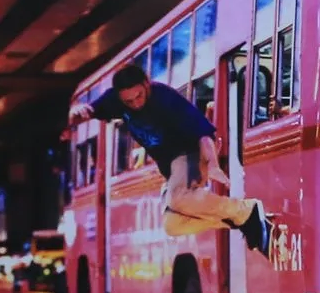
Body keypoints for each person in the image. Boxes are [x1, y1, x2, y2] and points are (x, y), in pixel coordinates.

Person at [78, 61, 273, 254]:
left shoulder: (166, 99)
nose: (136, 104)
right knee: (173, 225)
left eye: (139, 96)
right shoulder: (114, 100)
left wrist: (213, 164)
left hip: (191, 152)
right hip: (172, 166)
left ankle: (245, 209)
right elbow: (89, 110)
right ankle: (241, 221)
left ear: (147, 84)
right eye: (129, 101)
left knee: (178, 197)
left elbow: (203, 134)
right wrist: (75, 114)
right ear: (120, 98)